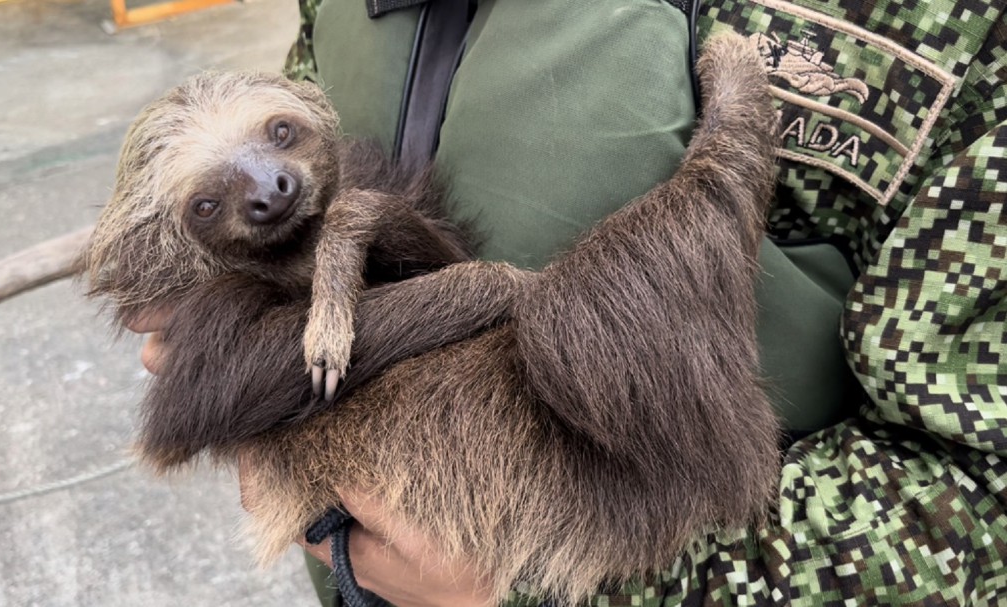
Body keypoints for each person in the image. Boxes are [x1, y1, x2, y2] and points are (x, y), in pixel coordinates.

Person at [130, 0, 1007, 604]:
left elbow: (981, 496)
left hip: (605, 493)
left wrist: (551, 592)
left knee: (582, 320)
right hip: (395, 508)